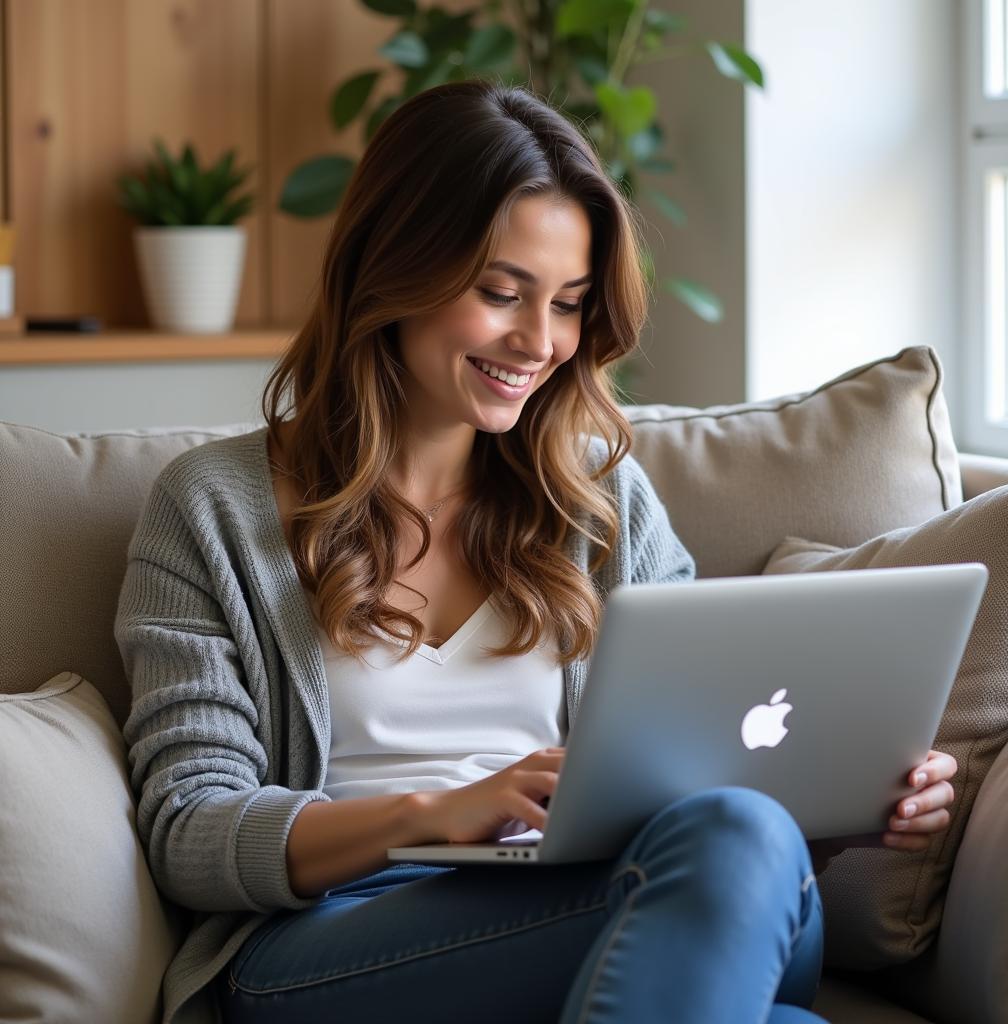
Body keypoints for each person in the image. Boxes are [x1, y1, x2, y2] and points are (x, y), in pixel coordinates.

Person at [114, 79, 959, 1024]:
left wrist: (838, 801)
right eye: (501, 293)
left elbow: (704, 792)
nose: (540, 341)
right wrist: (434, 816)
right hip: (335, 943)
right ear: (392, 269)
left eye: (568, 303)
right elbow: (188, 829)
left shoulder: (598, 502)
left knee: (740, 834)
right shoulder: (213, 509)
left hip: (612, 905)